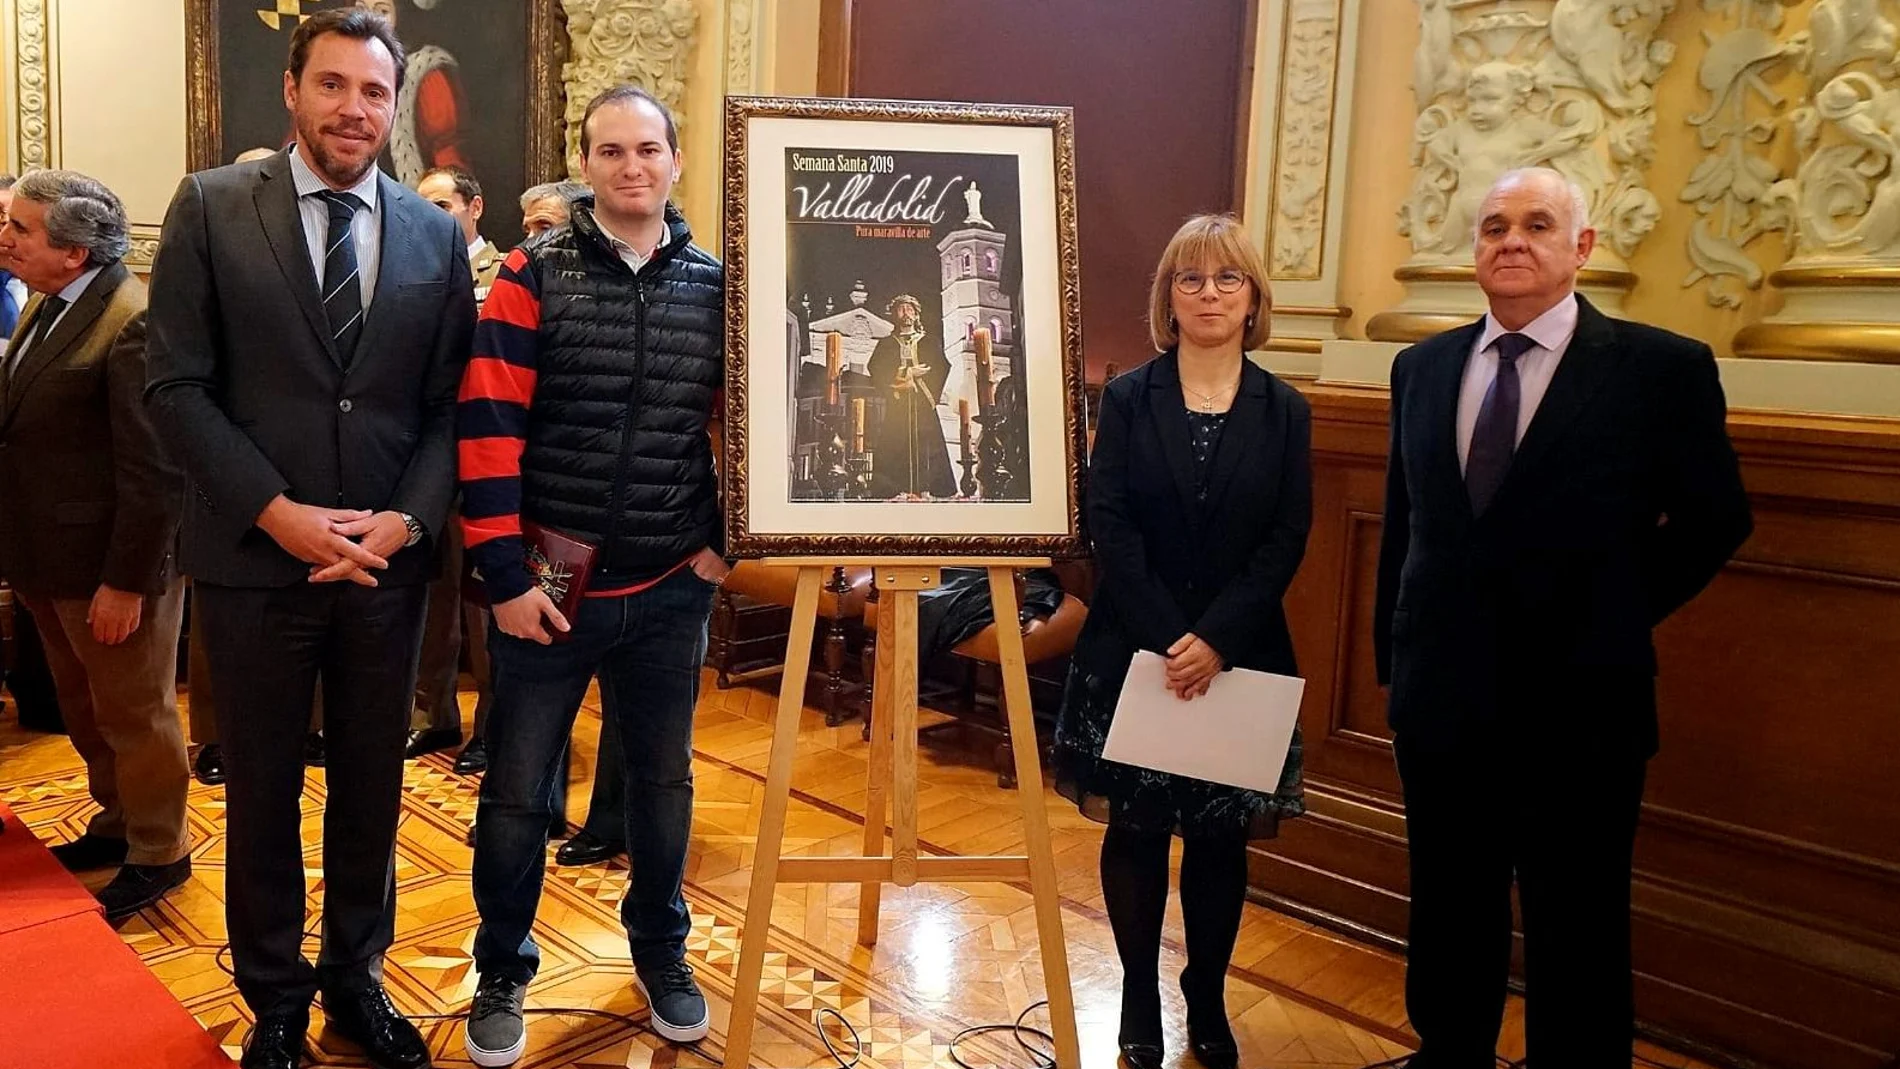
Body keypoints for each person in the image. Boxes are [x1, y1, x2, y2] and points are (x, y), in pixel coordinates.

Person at [145, 9, 474, 1069]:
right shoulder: (209, 205)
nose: (354, 109)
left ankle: (355, 979)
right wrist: (275, 511)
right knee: (265, 789)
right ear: (291, 91)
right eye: (332, 85)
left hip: (385, 564)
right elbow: (176, 387)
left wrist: (406, 518)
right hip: (253, 561)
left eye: (374, 91)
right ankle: (276, 994)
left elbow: (444, 409)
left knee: (376, 783)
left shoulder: (433, 234)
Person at [1374, 168, 1752, 1069]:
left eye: (1537, 224)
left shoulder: (1661, 369)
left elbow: (1716, 518)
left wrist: (1612, 611)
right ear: (1474, 250)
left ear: (1580, 247)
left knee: (1575, 916)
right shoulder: (1420, 367)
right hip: (1442, 700)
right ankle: (1448, 1053)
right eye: (1494, 225)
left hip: (1582, 703)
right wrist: (1399, 666)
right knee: (1450, 903)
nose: (1512, 240)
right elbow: (1406, 523)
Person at [458, 84, 725, 1067]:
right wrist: (501, 575)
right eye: (610, 151)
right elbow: (487, 430)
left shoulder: (714, 282)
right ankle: (500, 967)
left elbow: (744, 430)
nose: (630, 167)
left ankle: (661, 952)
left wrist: (721, 545)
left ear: (674, 159)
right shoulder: (532, 273)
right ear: (587, 162)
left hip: (668, 588)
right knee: (519, 795)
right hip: (547, 590)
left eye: (647, 149)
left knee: (662, 785)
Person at [1052, 214, 1311, 1069]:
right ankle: (1134, 994)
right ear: (1168, 297)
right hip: (1139, 649)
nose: (1208, 293)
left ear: (1254, 299)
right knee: (1134, 830)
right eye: (1189, 279)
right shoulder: (1128, 399)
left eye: (1226, 279)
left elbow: (1288, 535)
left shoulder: (1287, 408)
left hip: (1240, 659)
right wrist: (1173, 635)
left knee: (1217, 838)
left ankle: (1205, 992)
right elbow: (1109, 524)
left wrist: (1217, 638)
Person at [0, 170, 191, 920]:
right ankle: (116, 823)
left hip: (111, 569)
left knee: (136, 713)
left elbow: (156, 473)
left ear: (74, 252)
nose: (6, 236)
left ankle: (160, 848)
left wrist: (127, 582)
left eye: (21, 227)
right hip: (49, 560)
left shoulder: (131, 320)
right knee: (84, 707)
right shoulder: (51, 305)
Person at [407, 163, 499, 769]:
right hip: (426, 461)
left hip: (486, 457)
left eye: (441, 205)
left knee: (486, 608)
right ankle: (432, 714)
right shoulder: (412, 269)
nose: (429, 217)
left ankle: (493, 727)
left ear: (473, 208)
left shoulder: (510, 272)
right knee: (433, 602)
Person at [864, 293, 957, 499]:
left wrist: (923, 388)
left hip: (922, 406)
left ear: (916, 315)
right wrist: (906, 374)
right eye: (901, 309)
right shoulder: (886, 344)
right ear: (894, 315)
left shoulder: (929, 342)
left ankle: (928, 488)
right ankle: (894, 489)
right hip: (897, 407)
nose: (905, 313)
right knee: (894, 443)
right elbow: (875, 368)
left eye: (909, 309)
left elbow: (941, 366)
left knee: (927, 445)